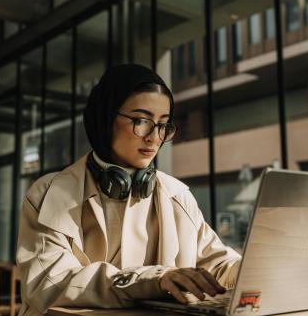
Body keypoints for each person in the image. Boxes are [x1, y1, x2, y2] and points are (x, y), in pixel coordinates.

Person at [16, 64, 241, 315]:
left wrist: (263, 267)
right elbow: (48, 283)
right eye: (141, 120)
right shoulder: (48, 193)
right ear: (105, 118)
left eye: (163, 124)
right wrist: (151, 279)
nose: (154, 137)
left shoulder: (177, 195)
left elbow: (219, 264)